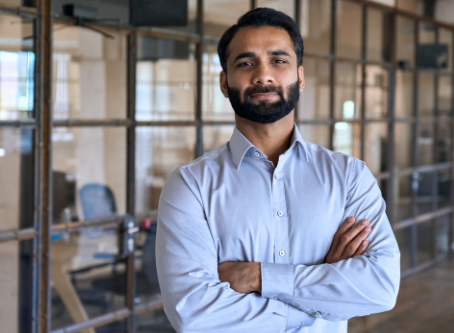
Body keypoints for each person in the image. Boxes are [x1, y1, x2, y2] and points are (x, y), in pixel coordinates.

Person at [155, 8, 400, 333]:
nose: (263, 75)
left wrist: (257, 276)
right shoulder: (190, 186)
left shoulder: (349, 177)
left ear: (299, 76)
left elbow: (380, 288)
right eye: (245, 63)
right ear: (224, 83)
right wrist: (321, 297)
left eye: (278, 61)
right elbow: (193, 313)